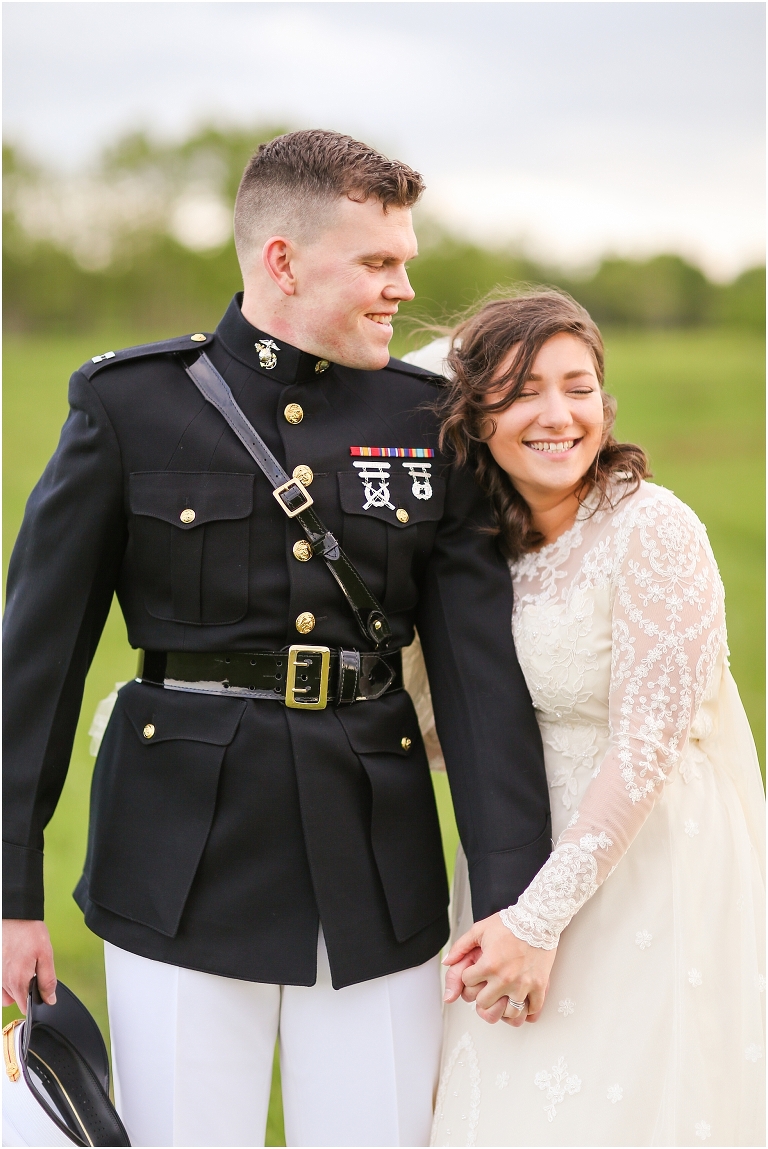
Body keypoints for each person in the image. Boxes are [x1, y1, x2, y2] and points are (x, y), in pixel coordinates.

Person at [2, 132, 552, 1147]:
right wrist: (10, 895)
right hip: (176, 868)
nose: (403, 288)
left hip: (375, 872)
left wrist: (517, 902)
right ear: (283, 261)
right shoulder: (130, 407)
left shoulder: (428, 424)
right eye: (377, 262)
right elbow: (34, 668)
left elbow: (480, 685)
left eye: (404, 260)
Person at [407, 292, 765, 1147]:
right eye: (523, 390)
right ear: (476, 416)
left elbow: (644, 751)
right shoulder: (489, 550)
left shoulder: (654, 530)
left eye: (578, 387)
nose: (559, 415)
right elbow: (468, 728)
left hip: (642, 871)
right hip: (519, 852)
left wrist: (536, 920)